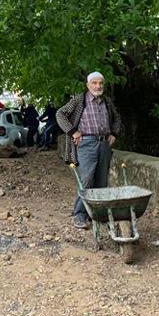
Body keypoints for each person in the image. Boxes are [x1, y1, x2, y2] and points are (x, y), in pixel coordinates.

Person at [56, 72, 121, 229]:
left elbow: (117, 118)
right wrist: (73, 132)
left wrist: (114, 133)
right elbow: (60, 114)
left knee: (101, 180)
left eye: (100, 83)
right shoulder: (80, 99)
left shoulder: (107, 101)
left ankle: (98, 214)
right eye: (94, 83)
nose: (98, 86)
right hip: (86, 143)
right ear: (88, 85)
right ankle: (80, 214)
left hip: (104, 143)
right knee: (86, 179)